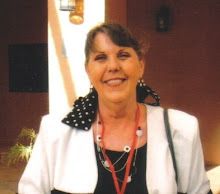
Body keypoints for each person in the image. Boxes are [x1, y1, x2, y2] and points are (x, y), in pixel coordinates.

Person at [18, 23, 212, 194]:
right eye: (101, 57)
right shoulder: (56, 130)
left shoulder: (182, 129)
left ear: (141, 66)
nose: (113, 66)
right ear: (88, 70)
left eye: (123, 55)